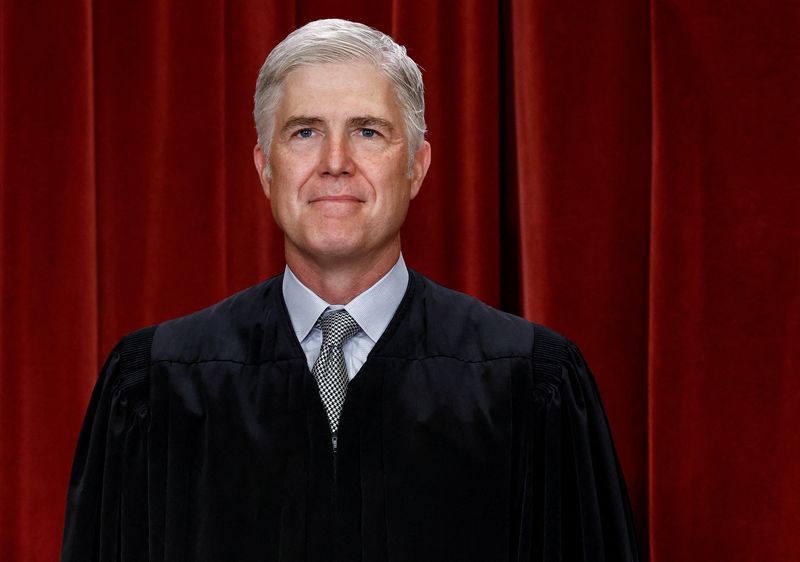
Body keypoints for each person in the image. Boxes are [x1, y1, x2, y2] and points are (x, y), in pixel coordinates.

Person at [60, 19, 639, 562]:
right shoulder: (156, 390)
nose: (335, 163)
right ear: (265, 168)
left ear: (416, 165)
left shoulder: (529, 386)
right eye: (305, 132)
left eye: (367, 131)